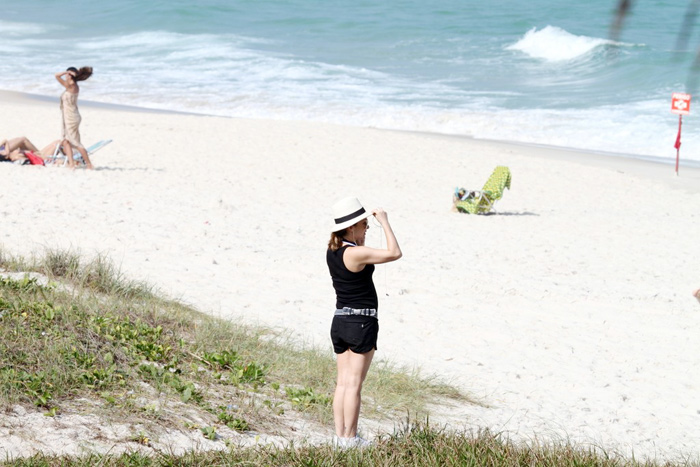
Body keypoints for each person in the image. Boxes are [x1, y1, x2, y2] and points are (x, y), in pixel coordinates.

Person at [326, 197, 402, 448]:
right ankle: (351, 438)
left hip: (340, 320)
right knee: (354, 385)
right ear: (350, 227)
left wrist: (362, 238)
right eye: (364, 225)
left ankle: (340, 437)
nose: (366, 228)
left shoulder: (334, 251)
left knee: (343, 384)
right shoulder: (356, 253)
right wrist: (385, 222)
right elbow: (395, 253)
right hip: (361, 321)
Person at [55, 66, 94, 169]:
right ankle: (71, 163)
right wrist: (67, 72)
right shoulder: (70, 85)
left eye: (68, 74)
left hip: (71, 117)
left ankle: (89, 164)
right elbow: (56, 76)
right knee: (65, 141)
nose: (66, 76)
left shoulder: (71, 85)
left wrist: (67, 72)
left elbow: (56, 75)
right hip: (68, 116)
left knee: (75, 142)